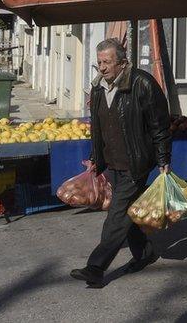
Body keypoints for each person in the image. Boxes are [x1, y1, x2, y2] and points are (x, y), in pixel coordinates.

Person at [70, 38, 172, 288]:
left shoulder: (142, 83)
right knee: (128, 213)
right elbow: (99, 127)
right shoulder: (98, 87)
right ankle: (144, 253)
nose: (102, 67)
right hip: (111, 162)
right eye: (99, 62)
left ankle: (95, 267)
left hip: (136, 162)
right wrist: (96, 157)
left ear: (123, 63)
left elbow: (160, 125)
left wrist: (163, 159)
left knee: (116, 216)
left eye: (107, 62)